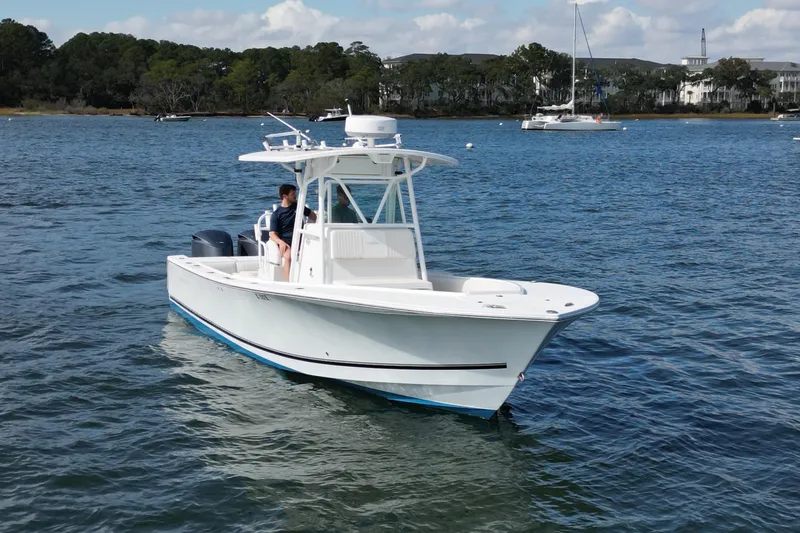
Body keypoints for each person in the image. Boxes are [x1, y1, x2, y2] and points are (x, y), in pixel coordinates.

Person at [269, 183, 317, 280]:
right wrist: (280, 242)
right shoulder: (277, 214)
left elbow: (312, 215)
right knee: (288, 256)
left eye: (295, 193)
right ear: (284, 196)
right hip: (286, 242)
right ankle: (288, 281)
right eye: (293, 194)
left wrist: (310, 227)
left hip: (301, 239)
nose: (295, 196)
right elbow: (272, 234)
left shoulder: (298, 207)